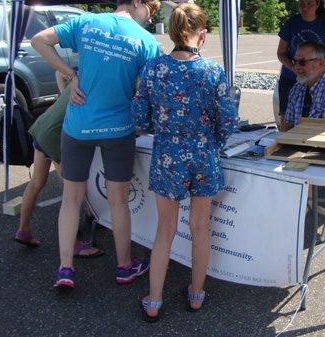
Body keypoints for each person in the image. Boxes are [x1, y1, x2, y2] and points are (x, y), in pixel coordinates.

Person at [31, 0, 161, 289]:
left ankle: (65, 268)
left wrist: (69, 74)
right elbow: (152, 88)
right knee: (118, 201)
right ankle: (124, 266)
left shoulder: (86, 22)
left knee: (71, 198)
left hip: (78, 125)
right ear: (137, 3)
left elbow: (39, 40)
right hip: (118, 129)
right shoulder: (145, 41)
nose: (149, 19)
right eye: (150, 11)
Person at [133, 3, 238, 322]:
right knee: (200, 227)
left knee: (164, 230)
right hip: (203, 155)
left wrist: (165, 128)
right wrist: (212, 142)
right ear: (201, 35)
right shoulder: (212, 71)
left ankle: (153, 300)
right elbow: (229, 119)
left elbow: (140, 117)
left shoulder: (153, 69)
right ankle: (196, 294)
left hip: (167, 155)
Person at [13, 71, 103, 259]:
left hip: (43, 127)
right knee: (73, 191)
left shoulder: (81, 75)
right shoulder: (98, 86)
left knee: (37, 182)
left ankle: (23, 230)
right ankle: (73, 244)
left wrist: (64, 92)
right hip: (57, 135)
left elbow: (57, 72)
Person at [276, 0, 325, 127]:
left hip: (315, 83)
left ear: (317, 4)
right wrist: (294, 68)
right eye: (302, 4)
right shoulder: (291, 23)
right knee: (286, 122)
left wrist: (313, 71)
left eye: (309, 4)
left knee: (313, 123)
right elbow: (281, 53)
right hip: (290, 78)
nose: (305, 7)